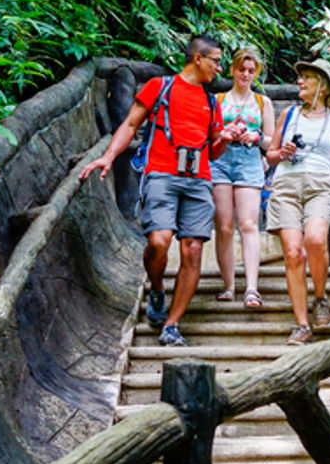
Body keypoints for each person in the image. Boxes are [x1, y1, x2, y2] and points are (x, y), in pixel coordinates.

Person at [80, 34, 238, 347]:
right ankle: (156, 287)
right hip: (162, 174)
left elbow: (214, 151)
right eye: (216, 61)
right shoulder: (160, 87)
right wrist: (108, 157)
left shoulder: (211, 101)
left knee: (192, 249)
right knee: (159, 240)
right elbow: (129, 125)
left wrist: (227, 138)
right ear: (197, 59)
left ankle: (172, 324)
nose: (219, 68)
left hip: (199, 179)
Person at [264, 59, 330, 346]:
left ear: (322, 86)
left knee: (315, 240)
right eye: (300, 77)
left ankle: (321, 297)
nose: (300, 82)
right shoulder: (288, 114)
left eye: (307, 78)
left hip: (320, 186)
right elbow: (270, 156)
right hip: (286, 185)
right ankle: (301, 325)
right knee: (292, 252)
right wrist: (282, 153)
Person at [210, 47, 274, 307]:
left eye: (251, 71)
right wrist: (226, 133)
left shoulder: (262, 102)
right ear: (233, 69)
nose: (246, 74)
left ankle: (251, 288)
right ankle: (228, 285)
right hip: (221, 160)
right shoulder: (218, 100)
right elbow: (210, 137)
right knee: (224, 226)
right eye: (241, 69)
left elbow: (272, 142)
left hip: (249, 161)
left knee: (248, 223)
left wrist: (256, 137)